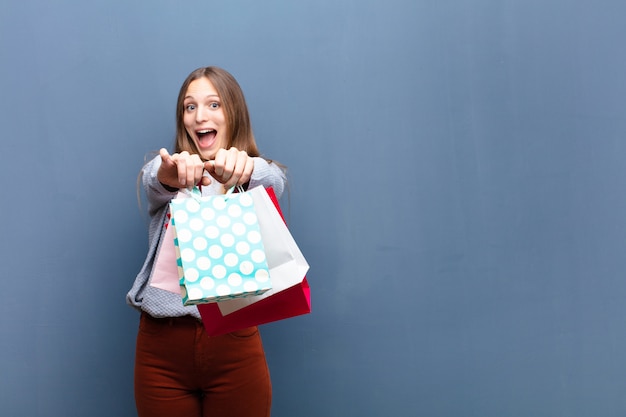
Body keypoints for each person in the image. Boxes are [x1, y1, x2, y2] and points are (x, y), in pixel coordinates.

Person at [126, 66, 287, 417]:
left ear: (233, 113)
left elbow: (274, 180)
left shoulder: (258, 172)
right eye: (190, 106)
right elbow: (154, 179)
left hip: (234, 344)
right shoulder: (166, 171)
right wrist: (172, 174)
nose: (200, 116)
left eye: (213, 105)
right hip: (161, 348)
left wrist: (245, 168)